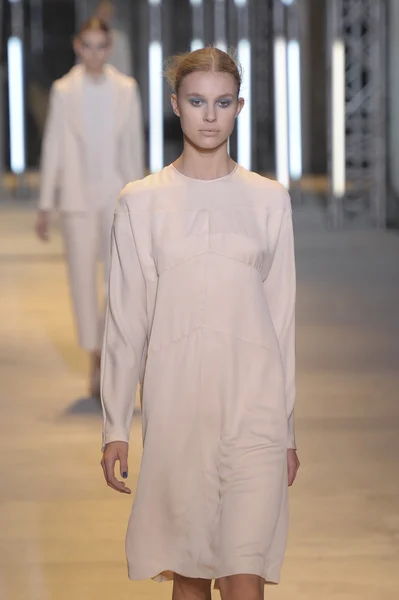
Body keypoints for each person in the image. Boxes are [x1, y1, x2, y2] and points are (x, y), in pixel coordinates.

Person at [101, 47, 300, 600]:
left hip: (255, 408)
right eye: (196, 101)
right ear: (175, 106)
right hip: (178, 409)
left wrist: (287, 428)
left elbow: (282, 322)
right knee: (189, 577)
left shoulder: (270, 201)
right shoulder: (140, 203)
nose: (209, 116)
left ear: (238, 108)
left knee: (244, 578)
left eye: (221, 102)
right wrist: (115, 425)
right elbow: (125, 323)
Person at [35, 17, 144, 398]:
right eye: (88, 46)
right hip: (77, 199)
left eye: (102, 46)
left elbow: (133, 146)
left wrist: (141, 197)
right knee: (82, 281)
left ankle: (115, 356)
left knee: (121, 281)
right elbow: (52, 146)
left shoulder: (126, 90)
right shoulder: (63, 90)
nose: (95, 53)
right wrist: (46, 204)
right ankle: (95, 358)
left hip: (116, 195)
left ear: (109, 48)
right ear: (77, 47)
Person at [94, 0, 133, 77]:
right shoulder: (88, 37)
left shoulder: (119, 38)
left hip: (114, 82)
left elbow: (124, 66)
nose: (104, 16)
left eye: (106, 13)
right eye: (102, 13)